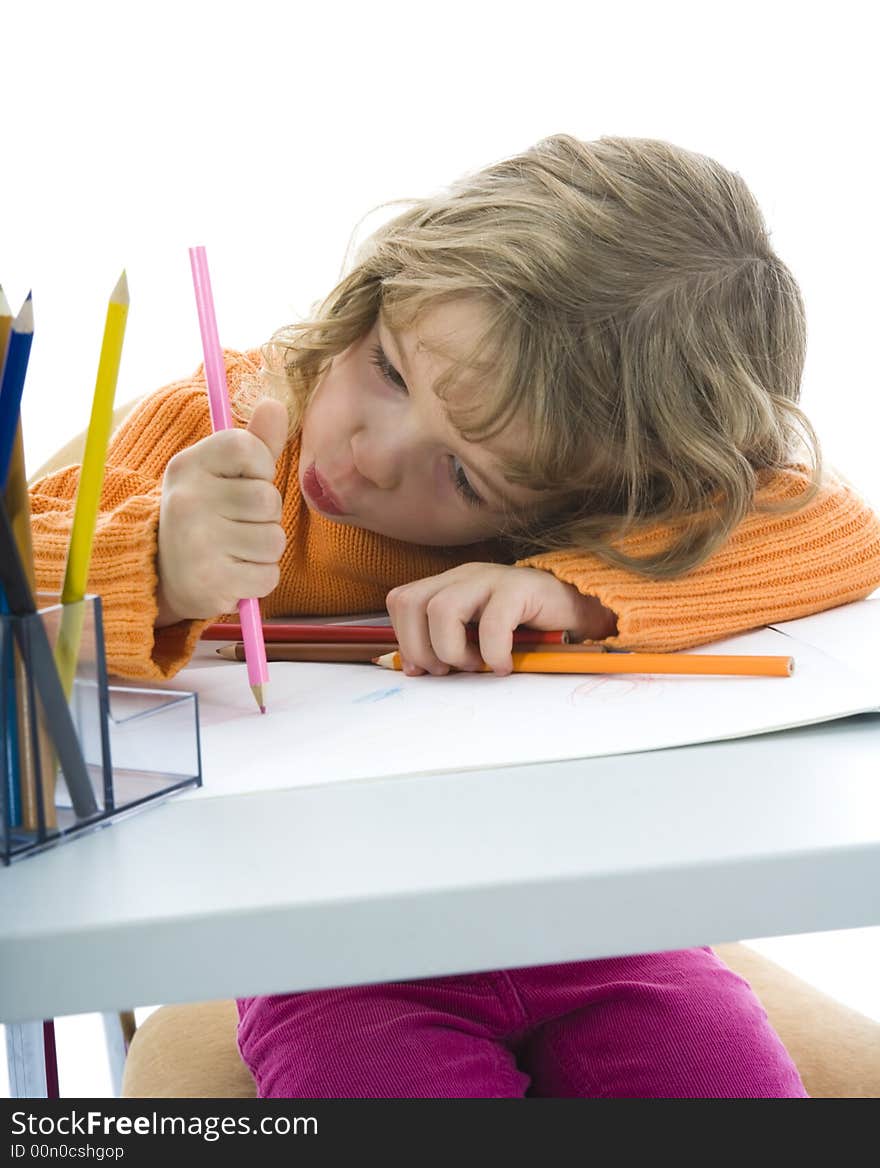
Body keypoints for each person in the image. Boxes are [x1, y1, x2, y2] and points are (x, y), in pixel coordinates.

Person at [30, 134, 880, 1097]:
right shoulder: (225, 427)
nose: (371, 452)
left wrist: (576, 591)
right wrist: (158, 561)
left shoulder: (583, 498)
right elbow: (25, 556)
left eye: (466, 473)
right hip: (321, 940)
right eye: (390, 371)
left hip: (595, 928)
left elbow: (835, 530)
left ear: (575, 496)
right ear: (380, 293)